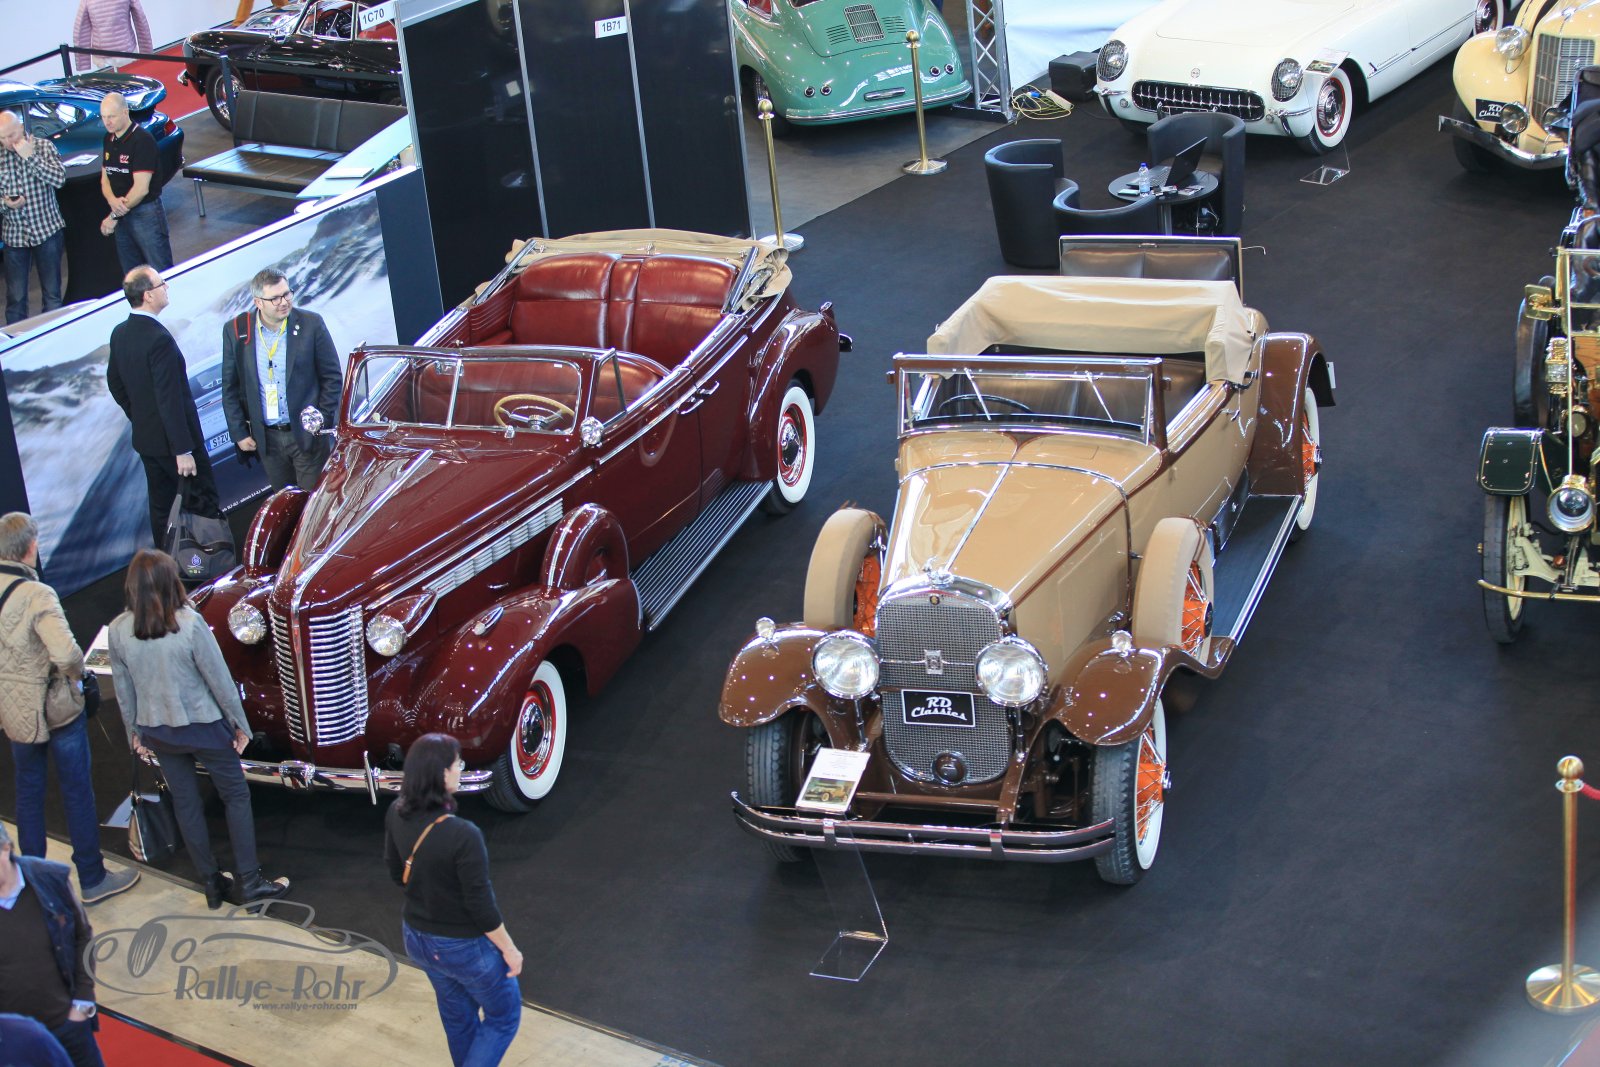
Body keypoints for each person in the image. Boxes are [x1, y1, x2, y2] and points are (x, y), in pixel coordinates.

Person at [108, 549, 289, 909]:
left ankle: (211, 881)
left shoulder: (118, 630)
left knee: (186, 804)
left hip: (158, 731)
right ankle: (251, 882)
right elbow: (219, 681)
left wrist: (134, 733)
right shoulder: (190, 624)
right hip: (205, 728)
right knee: (235, 797)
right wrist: (240, 725)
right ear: (171, 581)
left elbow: (124, 691)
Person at [0, 512, 139, 907]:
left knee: (28, 796)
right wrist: (78, 677)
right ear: (31, 547)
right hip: (57, 709)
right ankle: (92, 878)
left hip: (15, 712)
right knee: (77, 791)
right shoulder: (37, 594)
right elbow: (66, 654)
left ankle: (34, 885)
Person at [385, 734, 522, 1067]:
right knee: (504, 1016)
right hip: (462, 947)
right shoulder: (463, 834)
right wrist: (509, 949)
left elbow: (396, 873)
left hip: (416, 938)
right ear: (442, 773)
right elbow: (481, 906)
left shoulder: (396, 811)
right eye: (457, 763)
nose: (461, 768)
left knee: (458, 1018)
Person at [106, 266, 222, 548]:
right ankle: (210, 565)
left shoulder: (120, 333)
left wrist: (141, 418)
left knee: (162, 511)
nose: (166, 287)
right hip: (176, 447)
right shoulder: (158, 339)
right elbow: (169, 398)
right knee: (201, 504)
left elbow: (115, 384)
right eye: (161, 283)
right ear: (148, 295)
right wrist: (183, 450)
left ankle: (168, 568)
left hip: (148, 442)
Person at [220, 268, 343, 492]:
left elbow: (332, 377)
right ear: (258, 302)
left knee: (312, 503)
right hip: (268, 440)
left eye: (287, 294)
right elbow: (230, 387)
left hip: (306, 436)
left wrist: (320, 420)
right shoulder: (236, 331)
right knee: (285, 502)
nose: (284, 302)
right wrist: (239, 432)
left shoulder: (311, 324)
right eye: (275, 298)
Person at [0, 822, 106, 1067]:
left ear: (6, 848)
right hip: (15, 1042)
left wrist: (82, 1003)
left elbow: (82, 936)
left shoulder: (49, 878)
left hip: (69, 1026)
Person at [0, 112, 66, 326]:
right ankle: (16, 341)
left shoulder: (43, 147)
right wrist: (6, 204)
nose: (8, 142)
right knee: (16, 297)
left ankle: (54, 334)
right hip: (15, 237)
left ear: (21, 128)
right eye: (2, 138)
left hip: (47, 231)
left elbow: (59, 180)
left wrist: (30, 157)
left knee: (52, 293)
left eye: (11, 135)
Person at [98, 92, 170, 273]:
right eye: (104, 117)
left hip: (145, 213)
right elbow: (105, 178)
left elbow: (141, 189)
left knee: (160, 268)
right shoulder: (108, 139)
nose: (107, 122)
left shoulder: (142, 140)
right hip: (121, 213)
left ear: (125, 112)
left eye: (111, 116)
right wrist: (112, 201)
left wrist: (114, 215)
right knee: (132, 272)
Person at [73, 0, 152, 71]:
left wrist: (82, 63)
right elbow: (141, 21)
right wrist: (146, 52)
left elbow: (81, 30)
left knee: (108, 82)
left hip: (102, 55)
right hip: (127, 51)